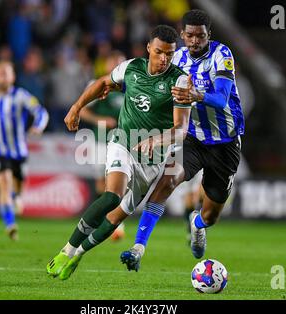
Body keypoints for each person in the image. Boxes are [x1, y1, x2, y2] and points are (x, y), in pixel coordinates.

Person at [46, 25, 192, 280]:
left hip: (153, 161)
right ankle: (66, 250)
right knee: (112, 194)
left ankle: (78, 254)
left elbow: (181, 129)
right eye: (159, 52)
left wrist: (158, 140)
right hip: (123, 142)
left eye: (169, 54)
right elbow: (103, 82)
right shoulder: (132, 68)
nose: (164, 59)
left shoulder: (179, 81)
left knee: (115, 218)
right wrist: (77, 107)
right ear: (149, 48)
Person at [121, 9, 245, 271]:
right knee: (166, 182)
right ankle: (138, 248)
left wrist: (196, 95)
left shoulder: (222, 56)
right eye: (189, 35)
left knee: (211, 215)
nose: (194, 41)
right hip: (191, 139)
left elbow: (222, 98)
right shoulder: (175, 58)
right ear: (182, 34)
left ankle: (198, 224)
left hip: (225, 143)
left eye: (200, 36)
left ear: (208, 35)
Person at [0, 60, 49, 240]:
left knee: (19, 186)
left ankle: (16, 197)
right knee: (4, 184)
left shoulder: (21, 96)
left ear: (13, 77)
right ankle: (10, 224)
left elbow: (41, 112)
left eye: (6, 73)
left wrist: (38, 127)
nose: (2, 76)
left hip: (18, 151)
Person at [79, 50, 127, 241]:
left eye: (120, 63)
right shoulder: (97, 85)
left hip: (123, 142)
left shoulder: (131, 85)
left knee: (114, 183)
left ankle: (116, 224)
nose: (116, 66)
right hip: (99, 140)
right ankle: (101, 221)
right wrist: (101, 120)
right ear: (107, 65)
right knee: (101, 183)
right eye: (113, 63)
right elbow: (82, 111)